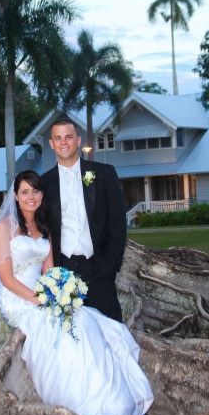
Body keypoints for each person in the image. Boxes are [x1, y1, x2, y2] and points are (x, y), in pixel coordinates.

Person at [0, 170, 154, 415]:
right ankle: (83, 407)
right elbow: (7, 278)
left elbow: (50, 271)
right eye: (25, 192)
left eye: (35, 191)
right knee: (64, 338)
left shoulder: (43, 226)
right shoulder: (4, 227)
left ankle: (114, 403)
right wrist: (39, 300)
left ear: (42, 194)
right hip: (18, 298)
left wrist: (59, 292)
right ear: (15, 195)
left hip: (45, 294)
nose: (31, 197)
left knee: (90, 322)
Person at [39, 118, 127, 322]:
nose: (63, 142)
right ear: (51, 144)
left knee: (111, 329)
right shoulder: (44, 183)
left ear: (78, 140)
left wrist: (108, 266)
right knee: (70, 334)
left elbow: (117, 224)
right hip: (63, 270)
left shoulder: (104, 174)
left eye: (68, 137)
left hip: (98, 268)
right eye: (58, 138)